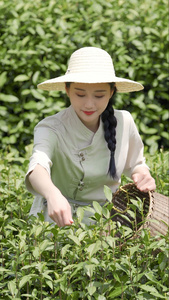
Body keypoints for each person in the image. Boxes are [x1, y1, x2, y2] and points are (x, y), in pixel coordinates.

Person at [25, 47, 156, 227]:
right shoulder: (50, 127)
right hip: (55, 220)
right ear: (67, 89)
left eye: (99, 95)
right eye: (80, 94)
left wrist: (143, 175)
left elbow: (137, 165)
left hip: (105, 223)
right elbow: (38, 166)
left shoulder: (124, 122)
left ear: (111, 92)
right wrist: (52, 194)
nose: (89, 104)